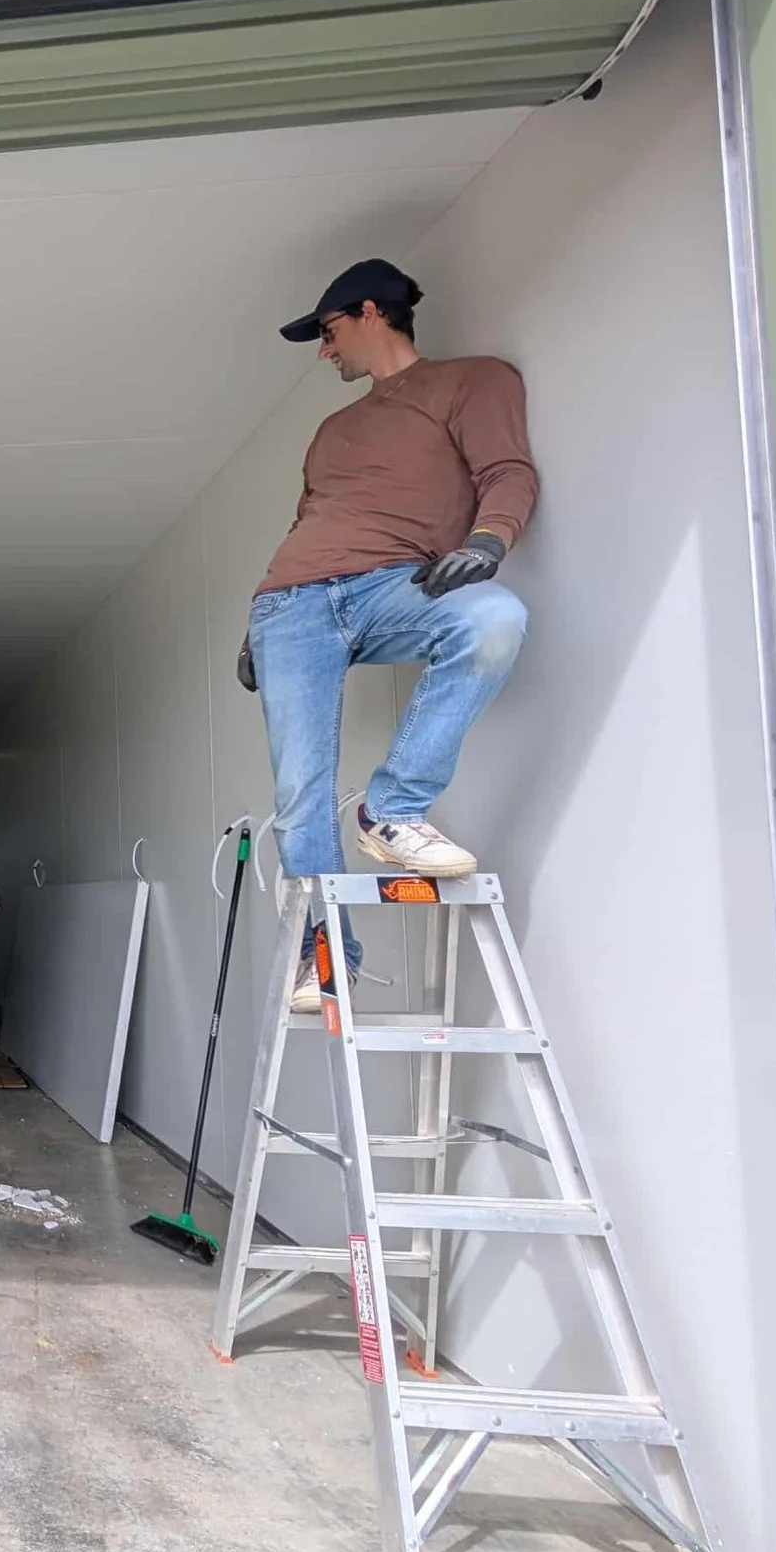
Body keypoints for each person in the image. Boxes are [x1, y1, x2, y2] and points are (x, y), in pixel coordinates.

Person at [237, 258, 537, 1011]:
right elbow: (310, 521)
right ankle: (326, 957)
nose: (324, 351)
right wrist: (254, 631)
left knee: (493, 618)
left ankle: (393, 809)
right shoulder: (332, 429)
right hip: (290, 605)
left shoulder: (473, 380)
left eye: (328, 331)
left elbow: (508, 470)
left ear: (371, 312)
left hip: (396, 584)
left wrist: (489, 542)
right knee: (300, 792)